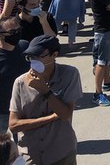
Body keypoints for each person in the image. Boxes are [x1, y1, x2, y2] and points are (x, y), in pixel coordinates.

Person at [9, 35, 82, 165]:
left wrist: (44, 90)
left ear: (54, 55)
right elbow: (14, 125)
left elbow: (65, 114)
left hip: (61, 153)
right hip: (32, 155)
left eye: (39, 56)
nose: (34, 60)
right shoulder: (20, 82)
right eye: (31, 57)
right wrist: (50, 118)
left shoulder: (69, 74)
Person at [0, 18, 27, 135]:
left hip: (26, 106)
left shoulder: (25, 46)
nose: (16, 34)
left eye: (18, 30)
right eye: (12, 32)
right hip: (4, 111)